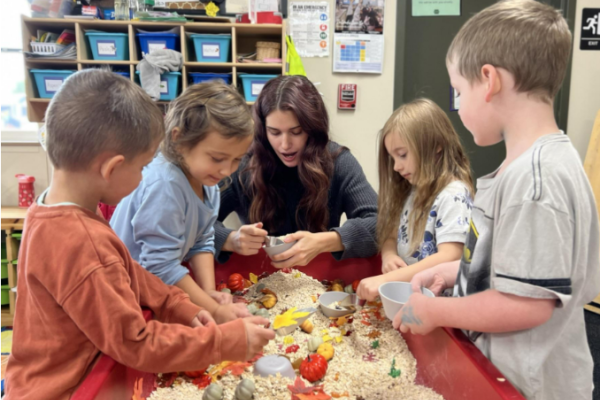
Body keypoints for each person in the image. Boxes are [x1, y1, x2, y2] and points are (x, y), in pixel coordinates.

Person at [5, 70, 274, 400]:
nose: (146, 176)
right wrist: (225, 342)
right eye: (143, 166)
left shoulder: (55, 209)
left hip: (74, 369)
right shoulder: (81, 242)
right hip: (65, 389)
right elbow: (137, 343)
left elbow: (136, 275)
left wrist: (186, 308)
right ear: (112, 168)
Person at [397, 2, 600, 399]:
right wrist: (455, 271)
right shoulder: (522, 167)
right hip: (498, 372)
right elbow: (507, 264)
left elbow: (527, 304)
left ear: (488, 80)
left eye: (458, 91)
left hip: (531, 386)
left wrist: (437, 312)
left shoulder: (537, 182)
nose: (457, 106)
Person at [111, 81, 253, 322]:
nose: (227, 170)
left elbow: (202, 241)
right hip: (124, 297)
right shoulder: (165, 185)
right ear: (178, 139)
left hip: (154, 290)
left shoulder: (208, 182)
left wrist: (209, 293)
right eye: (217, 158)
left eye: (237, 159)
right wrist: (215, 311)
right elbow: (159, 266)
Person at [214, 75, 378, 269]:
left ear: (313, 128)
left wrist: (325, 242)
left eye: (296, 131)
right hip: (259, 278)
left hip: (322, 278)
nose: (285, 145)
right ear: (262, 131)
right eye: (274, 132)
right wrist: (231, 239)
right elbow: (192, 224)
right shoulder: (243, 165)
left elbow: (379, 224)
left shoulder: (339, 162)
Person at [357, 98, 473, 301]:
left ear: (436, 146)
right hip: (411, 303)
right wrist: (389, 255)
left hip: (440, 309)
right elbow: (390, 235)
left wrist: (389, 279)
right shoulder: (411, 191)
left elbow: (451, 256)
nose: (396, 167)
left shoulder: (454, 194)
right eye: (393, 158)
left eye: (402, 155)